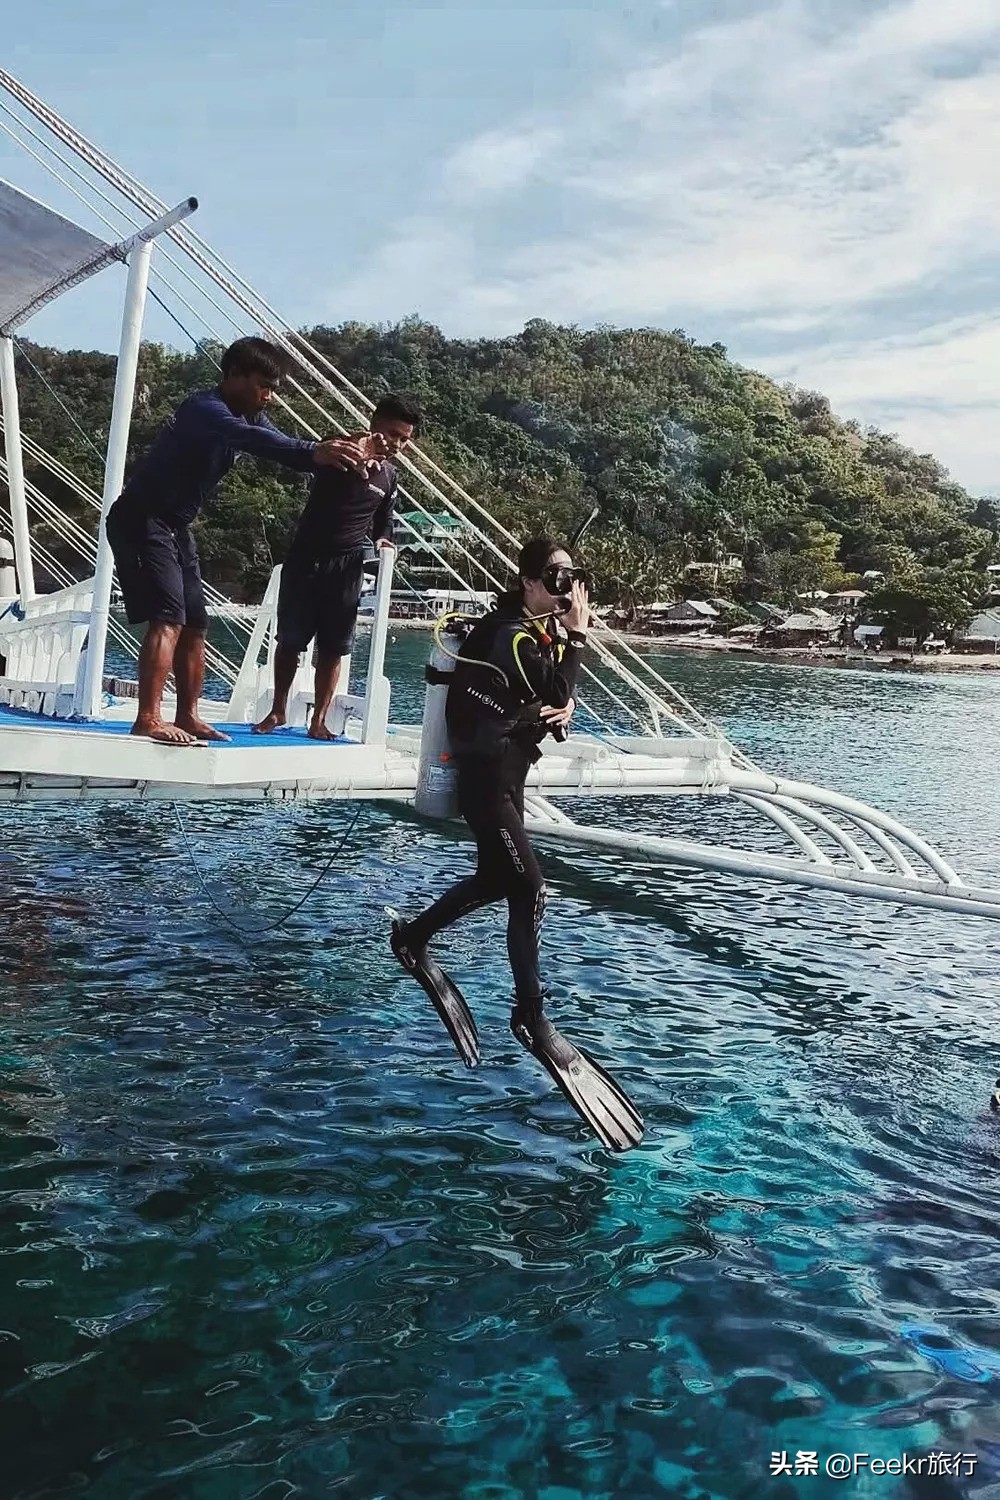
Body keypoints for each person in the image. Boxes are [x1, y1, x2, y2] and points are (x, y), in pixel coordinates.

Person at [389, 535, 644, 1152]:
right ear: (528, 582)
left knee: (496, 879)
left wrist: (559, 701)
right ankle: (530, 1015)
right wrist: (576, 644)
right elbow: (553, 691)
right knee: (528, 886)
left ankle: (413, 938)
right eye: (554, 579)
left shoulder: (529, 630)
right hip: (487, 786)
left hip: (504, 778)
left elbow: (551, 698)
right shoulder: (511, 635)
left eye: (571, 578)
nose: (565, 589)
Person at [105, 337, 372, 745]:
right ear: (233, 375)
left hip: (175, 526)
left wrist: (338, 450)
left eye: (273, 389)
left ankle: (188, 715)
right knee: (169, 616)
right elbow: (253, 440)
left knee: (196, 623)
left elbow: (287, 451)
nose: (268, 397)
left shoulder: (249, 416)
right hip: (141, 519)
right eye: (262, 386)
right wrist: (315, 450)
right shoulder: (204, 409)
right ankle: (147, 718)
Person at [253, 394, 420, 740]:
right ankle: (278, 710)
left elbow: (384, 520)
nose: (397, 444)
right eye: (393, 434)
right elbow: (332, 455)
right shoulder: (340, 450)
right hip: (306, 558)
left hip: (347, 568)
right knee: (290, 640)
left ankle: (319, 720)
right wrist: (363, 449)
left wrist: (384, 540)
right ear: (374, 425)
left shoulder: (390, 477)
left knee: (333, 647)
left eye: (405, 439)